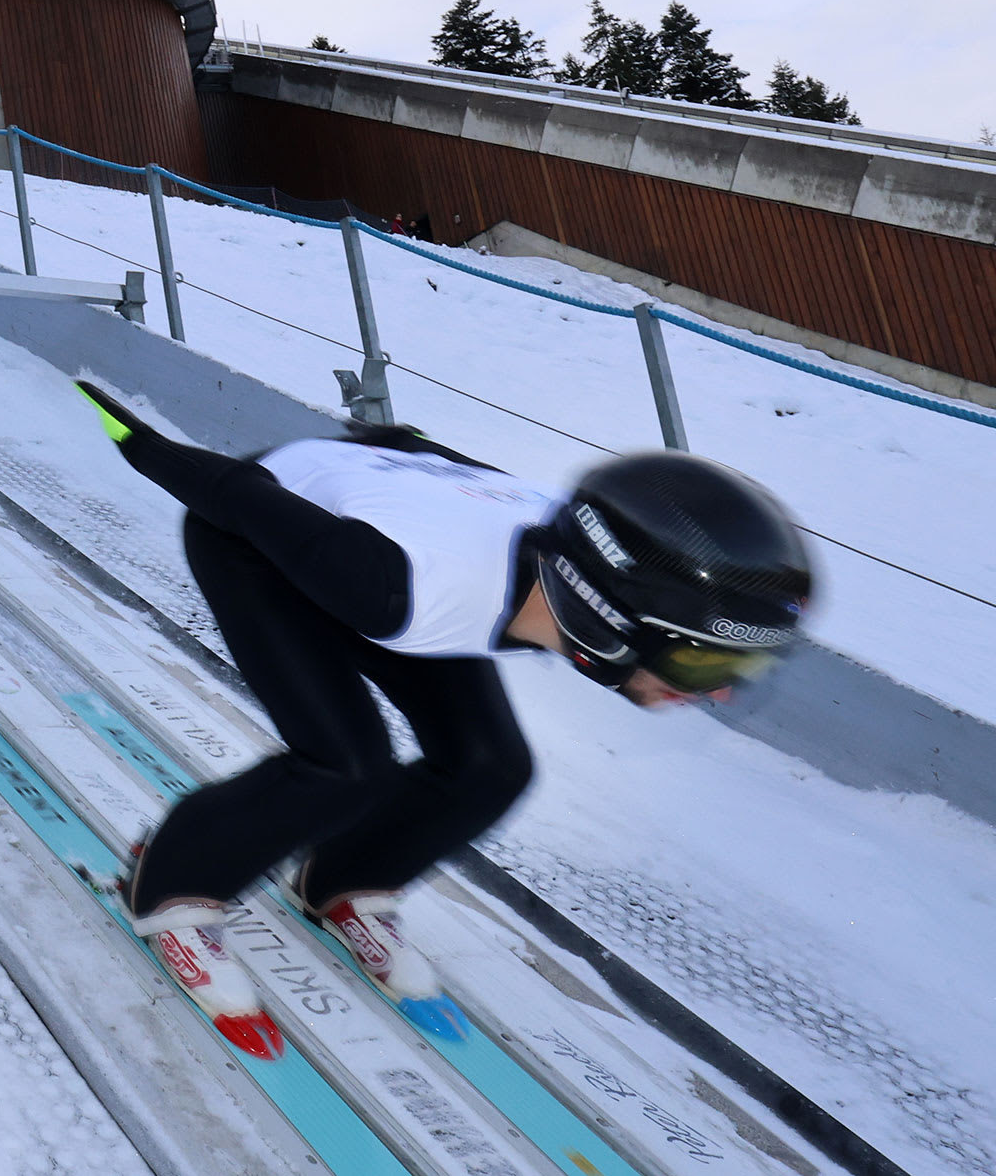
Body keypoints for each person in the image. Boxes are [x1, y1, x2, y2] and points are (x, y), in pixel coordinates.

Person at [77, 384, 812, 1043]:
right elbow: (237, 497)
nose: (718, 694)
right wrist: (137, 437)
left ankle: (343, 880)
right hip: (261, 542)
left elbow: (429, 459)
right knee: (343, 763)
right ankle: (168, 886)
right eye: (706, 663)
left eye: (738, 671)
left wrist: (393, 450)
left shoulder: (552, 563)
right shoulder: (412, 585)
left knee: (490, 768)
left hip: (383, 545)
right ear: (606, 618)